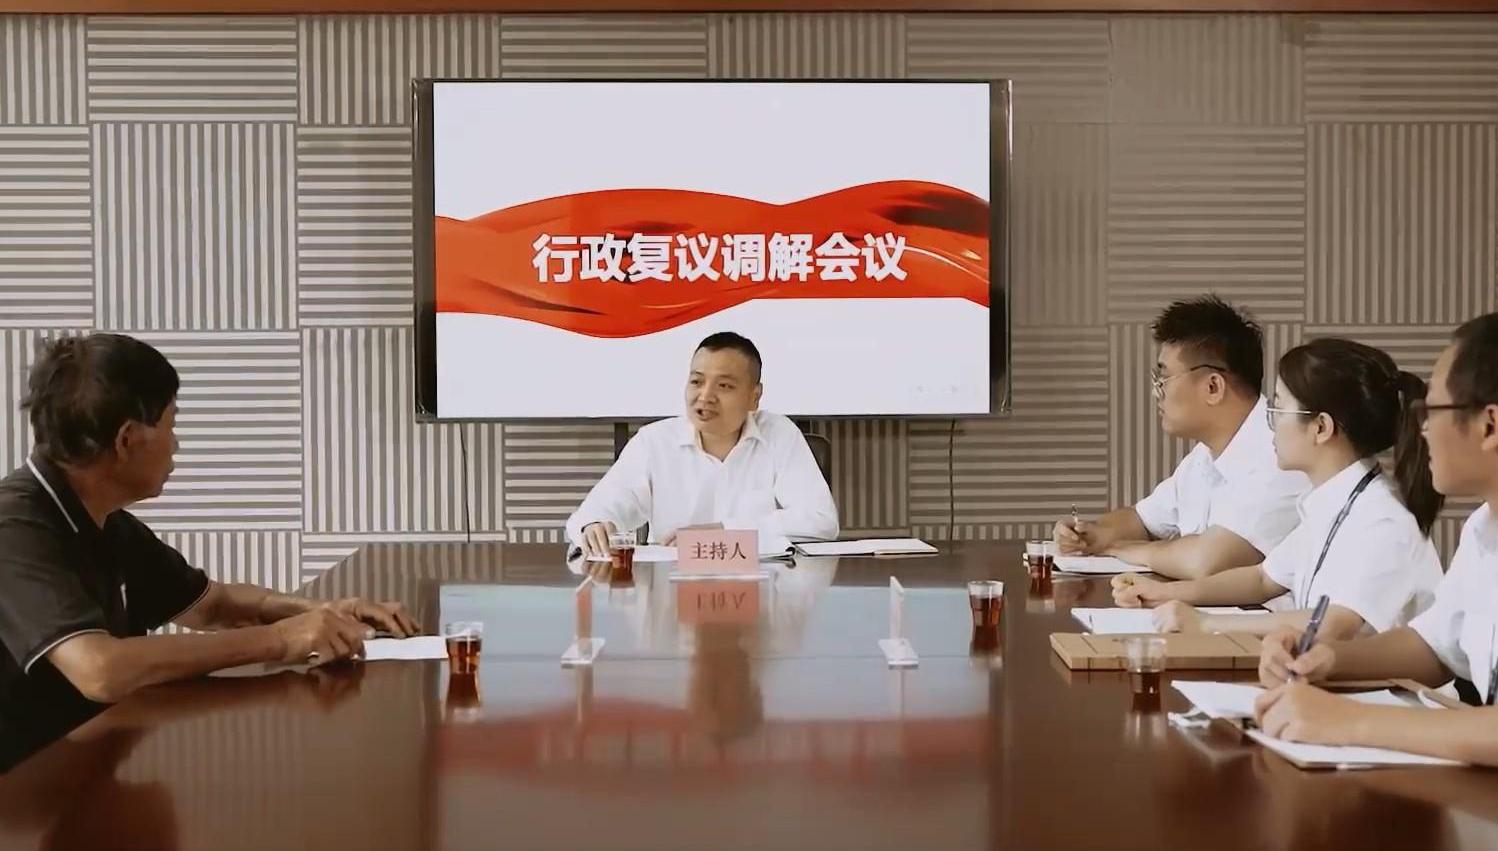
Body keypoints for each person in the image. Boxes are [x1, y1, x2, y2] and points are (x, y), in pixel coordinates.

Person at [0, 334, 415, 765]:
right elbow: (99, 670)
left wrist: (326, 613)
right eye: (171, 424)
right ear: (127, 440)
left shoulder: (105, 521)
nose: (176, 443)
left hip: (82, 764)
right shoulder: (13, 526)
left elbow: (212, 606)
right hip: (23, 789)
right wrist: (279, 640)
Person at [1253, 314, 1498, 768]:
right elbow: (1434, 646)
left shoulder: (1386, 519)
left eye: (1433, 412)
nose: (1422, 430)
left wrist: (1348, 721)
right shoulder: (1483, 530)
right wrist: (1329, 659)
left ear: (1489, 426)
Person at [1113, 338, 1444, 639]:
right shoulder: (1330, 502)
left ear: (1321, 427)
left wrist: (1206, 623)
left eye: (1279, 410)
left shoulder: (1381, 520)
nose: (1269, 425)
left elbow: (1333, 624)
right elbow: (1262, 579)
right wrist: (1165, 593)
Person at [1053, 296, 1308, 578]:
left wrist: (1115, 546)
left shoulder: (1282, 454)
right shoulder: (1203, 457)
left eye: (1163, 379)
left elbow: (1207, 562)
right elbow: (1142, 520)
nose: (1156, 392)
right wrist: (1089, 534)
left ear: (1213, 387)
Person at [567, 332, 839, 559]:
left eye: (724, 386)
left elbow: (821, 520)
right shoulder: (654, 442)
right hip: (672, 592)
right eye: (696, 381)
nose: (705, 396)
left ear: (754, 397)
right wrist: (594, 524)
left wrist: (726, 531)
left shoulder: (779, 435)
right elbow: (599, 509)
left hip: (764, 588)